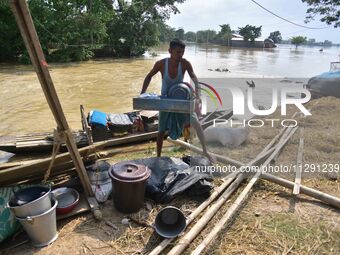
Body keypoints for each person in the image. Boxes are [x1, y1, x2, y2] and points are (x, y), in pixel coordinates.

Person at [140, 38, 213, 162]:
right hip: (166, 100)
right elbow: (149, 76)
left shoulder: (185, 63)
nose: (180, 55)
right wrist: (142, 93)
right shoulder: (161, 63)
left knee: (196, 123)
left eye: (182, 52)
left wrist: (198, 96)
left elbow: (195, 79)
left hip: (182, 99)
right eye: (178, 52)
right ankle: (158, 157)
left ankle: (205, 151)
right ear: (170, 51)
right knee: (161, 130)